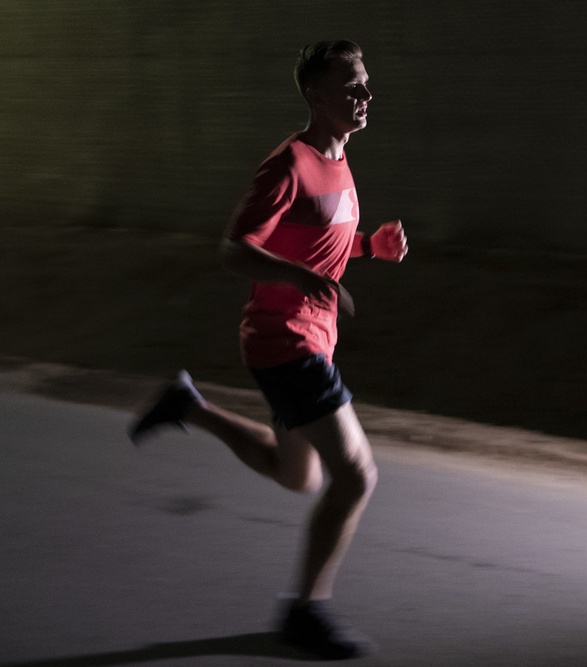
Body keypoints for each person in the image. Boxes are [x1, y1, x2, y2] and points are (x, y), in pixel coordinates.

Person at [127, 40, 407, 660]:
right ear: (315, 96)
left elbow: (319, 243)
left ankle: (188, 406)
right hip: (287, 341)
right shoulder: (288, 164)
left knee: (297, 475)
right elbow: (235, 248)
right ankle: (305, 614)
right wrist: (301, 280)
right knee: (356, 477)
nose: (364, 96)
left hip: (310, 341)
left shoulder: (341, 158)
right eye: (351, 87)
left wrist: (369, 249)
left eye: (365, 84)